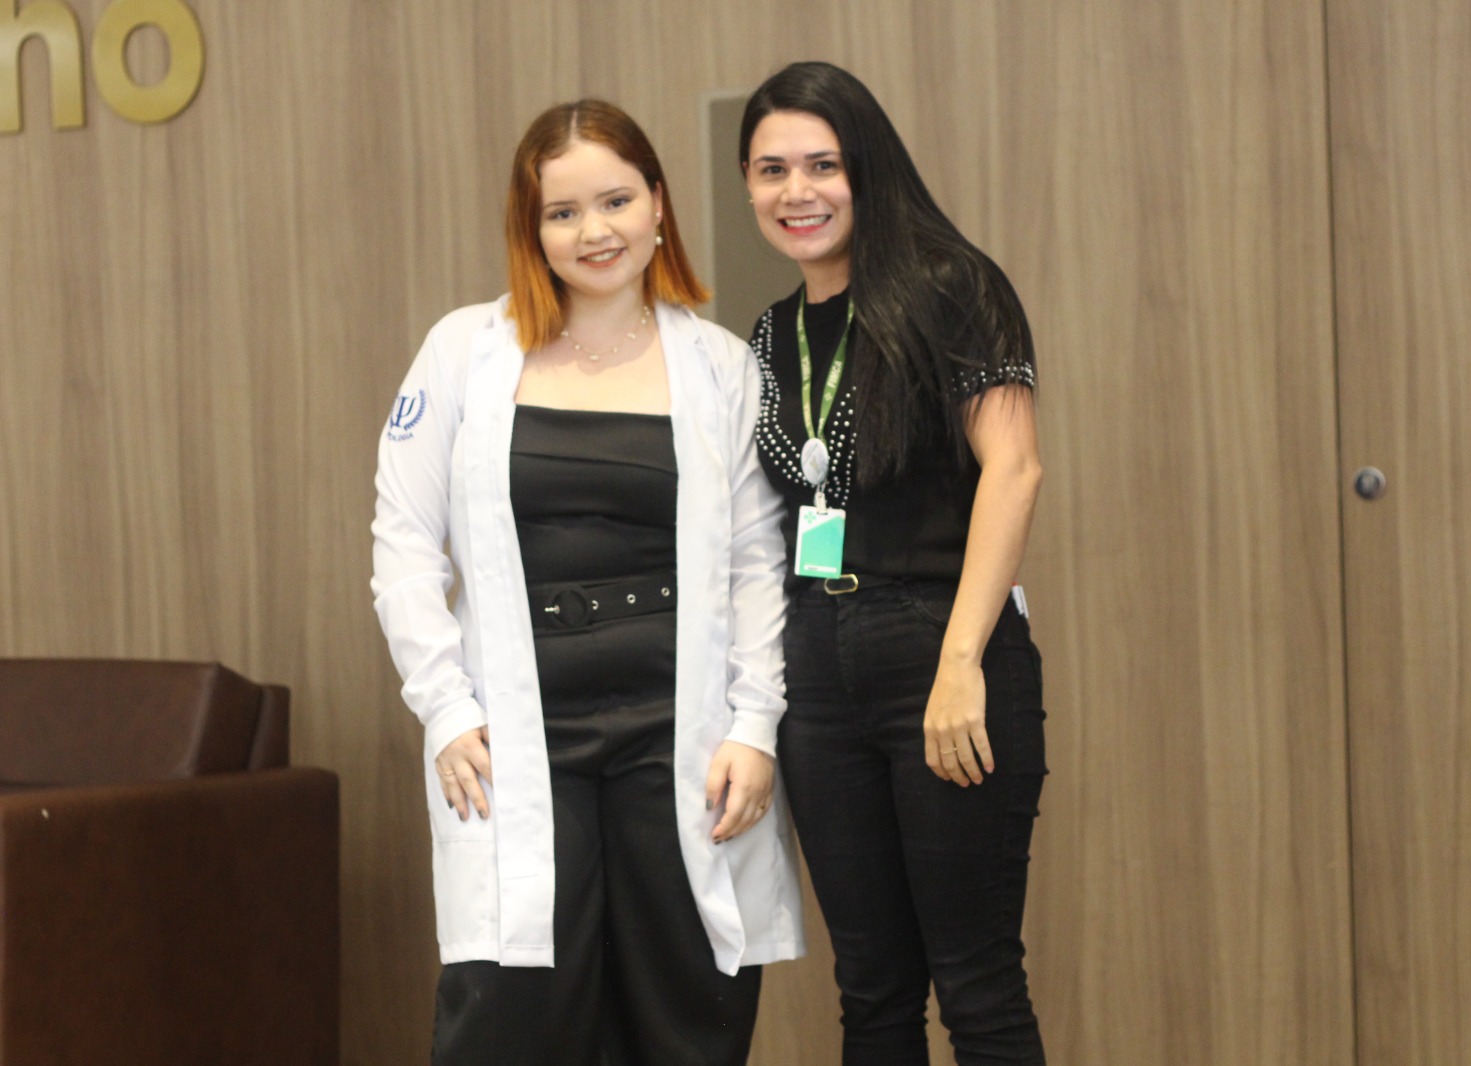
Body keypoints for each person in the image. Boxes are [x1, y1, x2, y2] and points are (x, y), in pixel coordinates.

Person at [372, 98, 804, 1066]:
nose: (593, 231)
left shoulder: (721, 367)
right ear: (530, 229)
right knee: (511, 1017)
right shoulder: (463, 352)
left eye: (615, 201)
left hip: (679, 734)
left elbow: (755, 560)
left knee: (686, 1014)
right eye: (562, 212)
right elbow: (402, 542)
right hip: (518, 736)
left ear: (658, 203)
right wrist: (444, 707)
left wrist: (752, 724)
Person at [739, 62, 1047, 1065]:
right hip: (816, 669)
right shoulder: (769, 334)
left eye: (822, 165)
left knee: (977, 983)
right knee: (870, 992)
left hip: (938, 644)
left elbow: (1014, 469)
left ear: (866, 168)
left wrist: (961, 663)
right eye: (772, 170)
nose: (797, 192)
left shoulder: (951, 287)